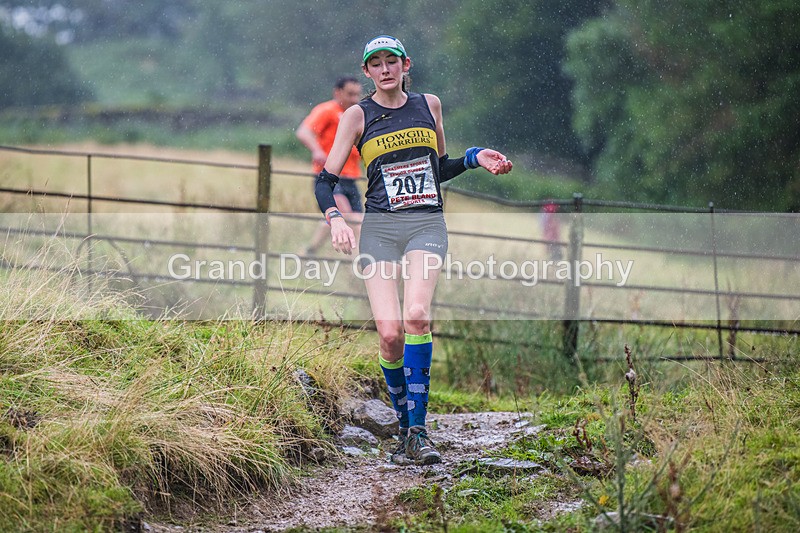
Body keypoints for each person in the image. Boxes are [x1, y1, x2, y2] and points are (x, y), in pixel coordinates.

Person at [314, 35, 512, 465]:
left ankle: (419, 433)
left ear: (406, 65)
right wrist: (335, 219)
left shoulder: (429, 105)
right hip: (381, 229)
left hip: (425, 223)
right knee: (389, 336)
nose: (385, 69)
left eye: (392, 61)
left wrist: (475, 157)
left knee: (417, 316)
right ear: (366, 72)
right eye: (376, 64)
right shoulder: (357, 115)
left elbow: (437, 168)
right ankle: (405, 429)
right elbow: (325, 181)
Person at [296, 76, 365, 255]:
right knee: (351, 218)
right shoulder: (328, 110)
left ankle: (309, 252)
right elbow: (304, 131)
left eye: (357, 94)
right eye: (350, 94)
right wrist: (317, 150)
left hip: (351, 177)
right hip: (329, 177)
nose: (354, 99)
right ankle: (359, 263)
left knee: (342, 218)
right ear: (337, 93)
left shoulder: (358, 115)